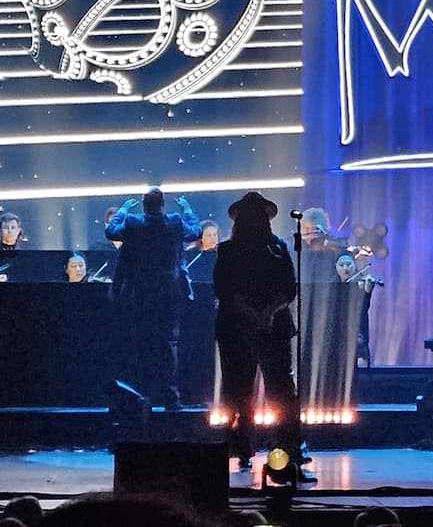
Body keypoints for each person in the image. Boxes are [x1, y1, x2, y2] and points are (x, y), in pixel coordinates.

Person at [214, 191, 309, 478]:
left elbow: (289, 287)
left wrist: (265, 312)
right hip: (242, 327)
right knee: (241, 388)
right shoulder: (229, 250)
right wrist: (261, 314)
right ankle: (243, 444)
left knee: (277, 388)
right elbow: (225, 289)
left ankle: (285, 445)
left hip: (262, 326)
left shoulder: (277, 248)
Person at [105, 188, 201, 409]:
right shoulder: (174, 223)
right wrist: (187, 209)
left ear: (143, 204)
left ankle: (143, 397)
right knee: (168, 344)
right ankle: (171, 397)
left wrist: (123, 209)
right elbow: (195, 231)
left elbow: (111, 231)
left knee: (142, 344)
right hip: (169, 294)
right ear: (163, 203)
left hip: (141, 294)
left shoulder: (133, 224)